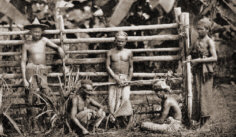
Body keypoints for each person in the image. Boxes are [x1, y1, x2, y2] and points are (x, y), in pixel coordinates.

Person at [21, 18, 65, 131]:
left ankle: (47, 120)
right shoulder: (26, 44)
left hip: (42, 70)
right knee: (32, 95)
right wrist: (25, 80)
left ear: (42, 32)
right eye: (34, 31)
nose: (36, 33)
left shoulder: (44, 40)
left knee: (45, 94)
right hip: (30, 70)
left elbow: (55, 47)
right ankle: (34, 124)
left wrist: (59, 49)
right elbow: (23, 61)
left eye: (38, 31)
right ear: (30, 32)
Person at [186, 17, 217, 126]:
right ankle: (199, 120)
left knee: (205, 94)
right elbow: (189, 51)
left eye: (201, 29)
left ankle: (206, 121)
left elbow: (214, 58)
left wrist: (200, 60)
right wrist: (190, 56)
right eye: (197, 29)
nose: (198, 31)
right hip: (197, 70)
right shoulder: (197, 41)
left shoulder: (209, 42)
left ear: (207, 29)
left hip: (206, 71)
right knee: (198, 93)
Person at [106, 31, 133, 122]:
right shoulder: (110, 52)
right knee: (112, 99)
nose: (120, 43)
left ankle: (122, 119)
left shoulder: (129, 52)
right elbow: (107, 66)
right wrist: (115, 78)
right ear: (115, 41)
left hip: (125, 78)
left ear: (125, 41)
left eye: (122, 41)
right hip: (113, 78)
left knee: (125, 98)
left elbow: (131, 67)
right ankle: (112, 119)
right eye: (118, 41)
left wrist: (128, 80)